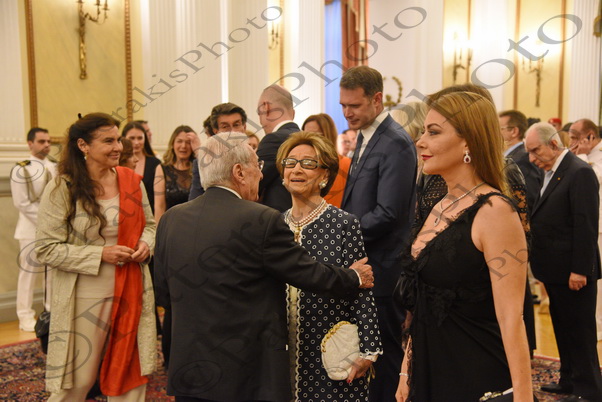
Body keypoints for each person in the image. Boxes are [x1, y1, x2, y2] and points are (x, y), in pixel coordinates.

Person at [153, 132, 375, 402]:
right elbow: (307, 273)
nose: (261, 174)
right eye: (257, 166)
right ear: (239, 172)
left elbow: (163, 294)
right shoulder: (262, 219)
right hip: (242, 374)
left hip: (189, 372)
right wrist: (354, 276)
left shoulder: (171, 219)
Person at [395, 92, 533, 402]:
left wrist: (523, 397)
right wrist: (406, 370)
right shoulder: (438, 204)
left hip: (475, 374)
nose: (420, 141)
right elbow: (422, 302)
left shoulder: (495, 211)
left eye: (433, 132)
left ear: (468, 141)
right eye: (423, 131)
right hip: (430, 371)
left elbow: (512, 318)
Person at [35, 113, 156, 401]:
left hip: (132, 287)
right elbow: (45, 248)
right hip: (85, 294)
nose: (118, 147)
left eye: (118, 140)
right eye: (108, 141)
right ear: (83, 145)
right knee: (79, 379)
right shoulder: (62, 187)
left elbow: (150, 225)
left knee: (130, 373)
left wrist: (146, 244)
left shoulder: (132, 182)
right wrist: (101, 254)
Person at [276, 131, 382, 401]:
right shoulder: (274, 225)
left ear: (324, 175)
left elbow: (363, 289)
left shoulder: (344, 223)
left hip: (331, 348)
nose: (297, 169)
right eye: (290, 162)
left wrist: (368, 350)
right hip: (280, 352)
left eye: (308, 163)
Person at [340, 65, 417, 401]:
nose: (347, 113)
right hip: (368, 262)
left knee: (385, 355)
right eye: (343, 105)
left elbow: (388, 213)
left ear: (376, 99)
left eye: (354, 105)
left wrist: (341, 233)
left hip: (384, 266)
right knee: (371, 352)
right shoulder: (366, 134)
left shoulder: (395, 142)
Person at [526, 122, 602, 401]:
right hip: (555, 270)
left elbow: (585, 226)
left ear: (554, 144)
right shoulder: (550, 171)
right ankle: (568, 380)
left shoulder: (579, 172)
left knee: (580, 334)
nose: (531, 158)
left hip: (573, 272)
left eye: (536, 151)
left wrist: (580, 270)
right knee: (564, 329)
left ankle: (588, 390)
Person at [10, 127, 57, 332]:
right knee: (28, 274)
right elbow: (22, 203)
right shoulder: (21, 169)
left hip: (53, 229)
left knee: (52, 273)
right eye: (41, 141)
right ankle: (25, 316)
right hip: (30, 230)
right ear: (30, 144)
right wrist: (46, 221)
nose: (46, 145)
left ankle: (50, 312)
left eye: (48, 141)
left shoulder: (55, 167)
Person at [569, 118, 602, 340]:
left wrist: (580, 156)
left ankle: (598, 326)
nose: (572, 142)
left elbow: (593, 178)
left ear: (590, 136)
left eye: (575, 137)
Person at [189, 104, 248, 200]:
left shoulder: (256, 158)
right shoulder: (205, 162)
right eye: (225, 127)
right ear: (216, 131)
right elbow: (195, 199)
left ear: (244, 127)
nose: (232, 131)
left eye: (236, 125)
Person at [256, 84, 301, 212]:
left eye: (259, 113)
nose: (260, 121)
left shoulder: (273, 140)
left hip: (278, 218)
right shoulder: (307, 139)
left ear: (266, 107)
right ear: (293, 113)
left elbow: (252, 183)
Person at [302, 113, 351, 208]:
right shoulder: (299, 166)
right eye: (305, 134)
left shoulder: (346, 164)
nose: (309, 139)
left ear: (328, 135)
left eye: (315, 135)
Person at [154, 125, 195, 223]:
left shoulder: (199, 168)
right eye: (179, 141)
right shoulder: (162, 169)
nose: (183, 146)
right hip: (171, 224)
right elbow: (159, 206)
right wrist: (159, 229)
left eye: (188, 142)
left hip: (196, 224)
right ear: (172, 144)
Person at [122, 121, 161, 212]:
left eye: (140, 138)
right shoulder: (118, 163)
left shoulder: (155, 163)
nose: (136, 142)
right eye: (132, 138)